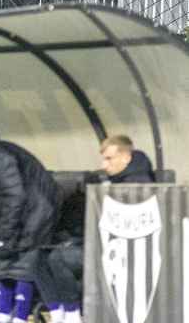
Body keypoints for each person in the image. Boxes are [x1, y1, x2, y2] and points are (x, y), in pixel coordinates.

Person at [36, 136, 154, 323]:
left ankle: (72, 314)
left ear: (126, 158)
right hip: (99, 243)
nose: (104, 165)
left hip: (120, 252)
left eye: (109, 159)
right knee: (39, 257)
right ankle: (59, 312)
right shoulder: (114, 181)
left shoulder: (138, 183)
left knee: (59, 259)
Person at [0, 130, 59, 323]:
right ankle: (3, 315)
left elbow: (15, 197)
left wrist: (4, 237)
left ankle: (20, 317)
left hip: (38, 210)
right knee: (0, 257)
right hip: (16, 215)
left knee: (24, 261)